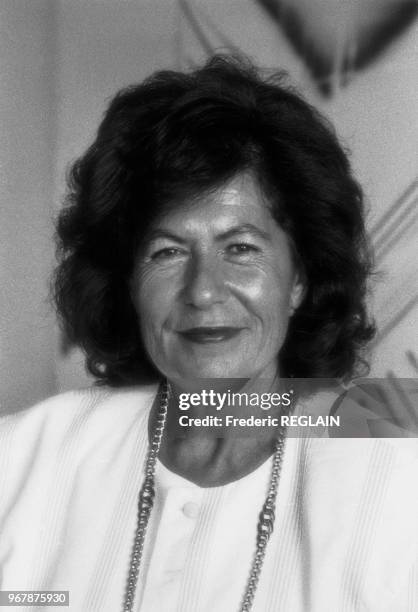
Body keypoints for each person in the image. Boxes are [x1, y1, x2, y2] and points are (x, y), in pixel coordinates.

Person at [0, 55, 416, 612]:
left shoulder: (396, 463)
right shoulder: (23, 455)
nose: (203, 291)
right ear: (126, 282)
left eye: (241, 248)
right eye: (167, 251)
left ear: (300, 279)